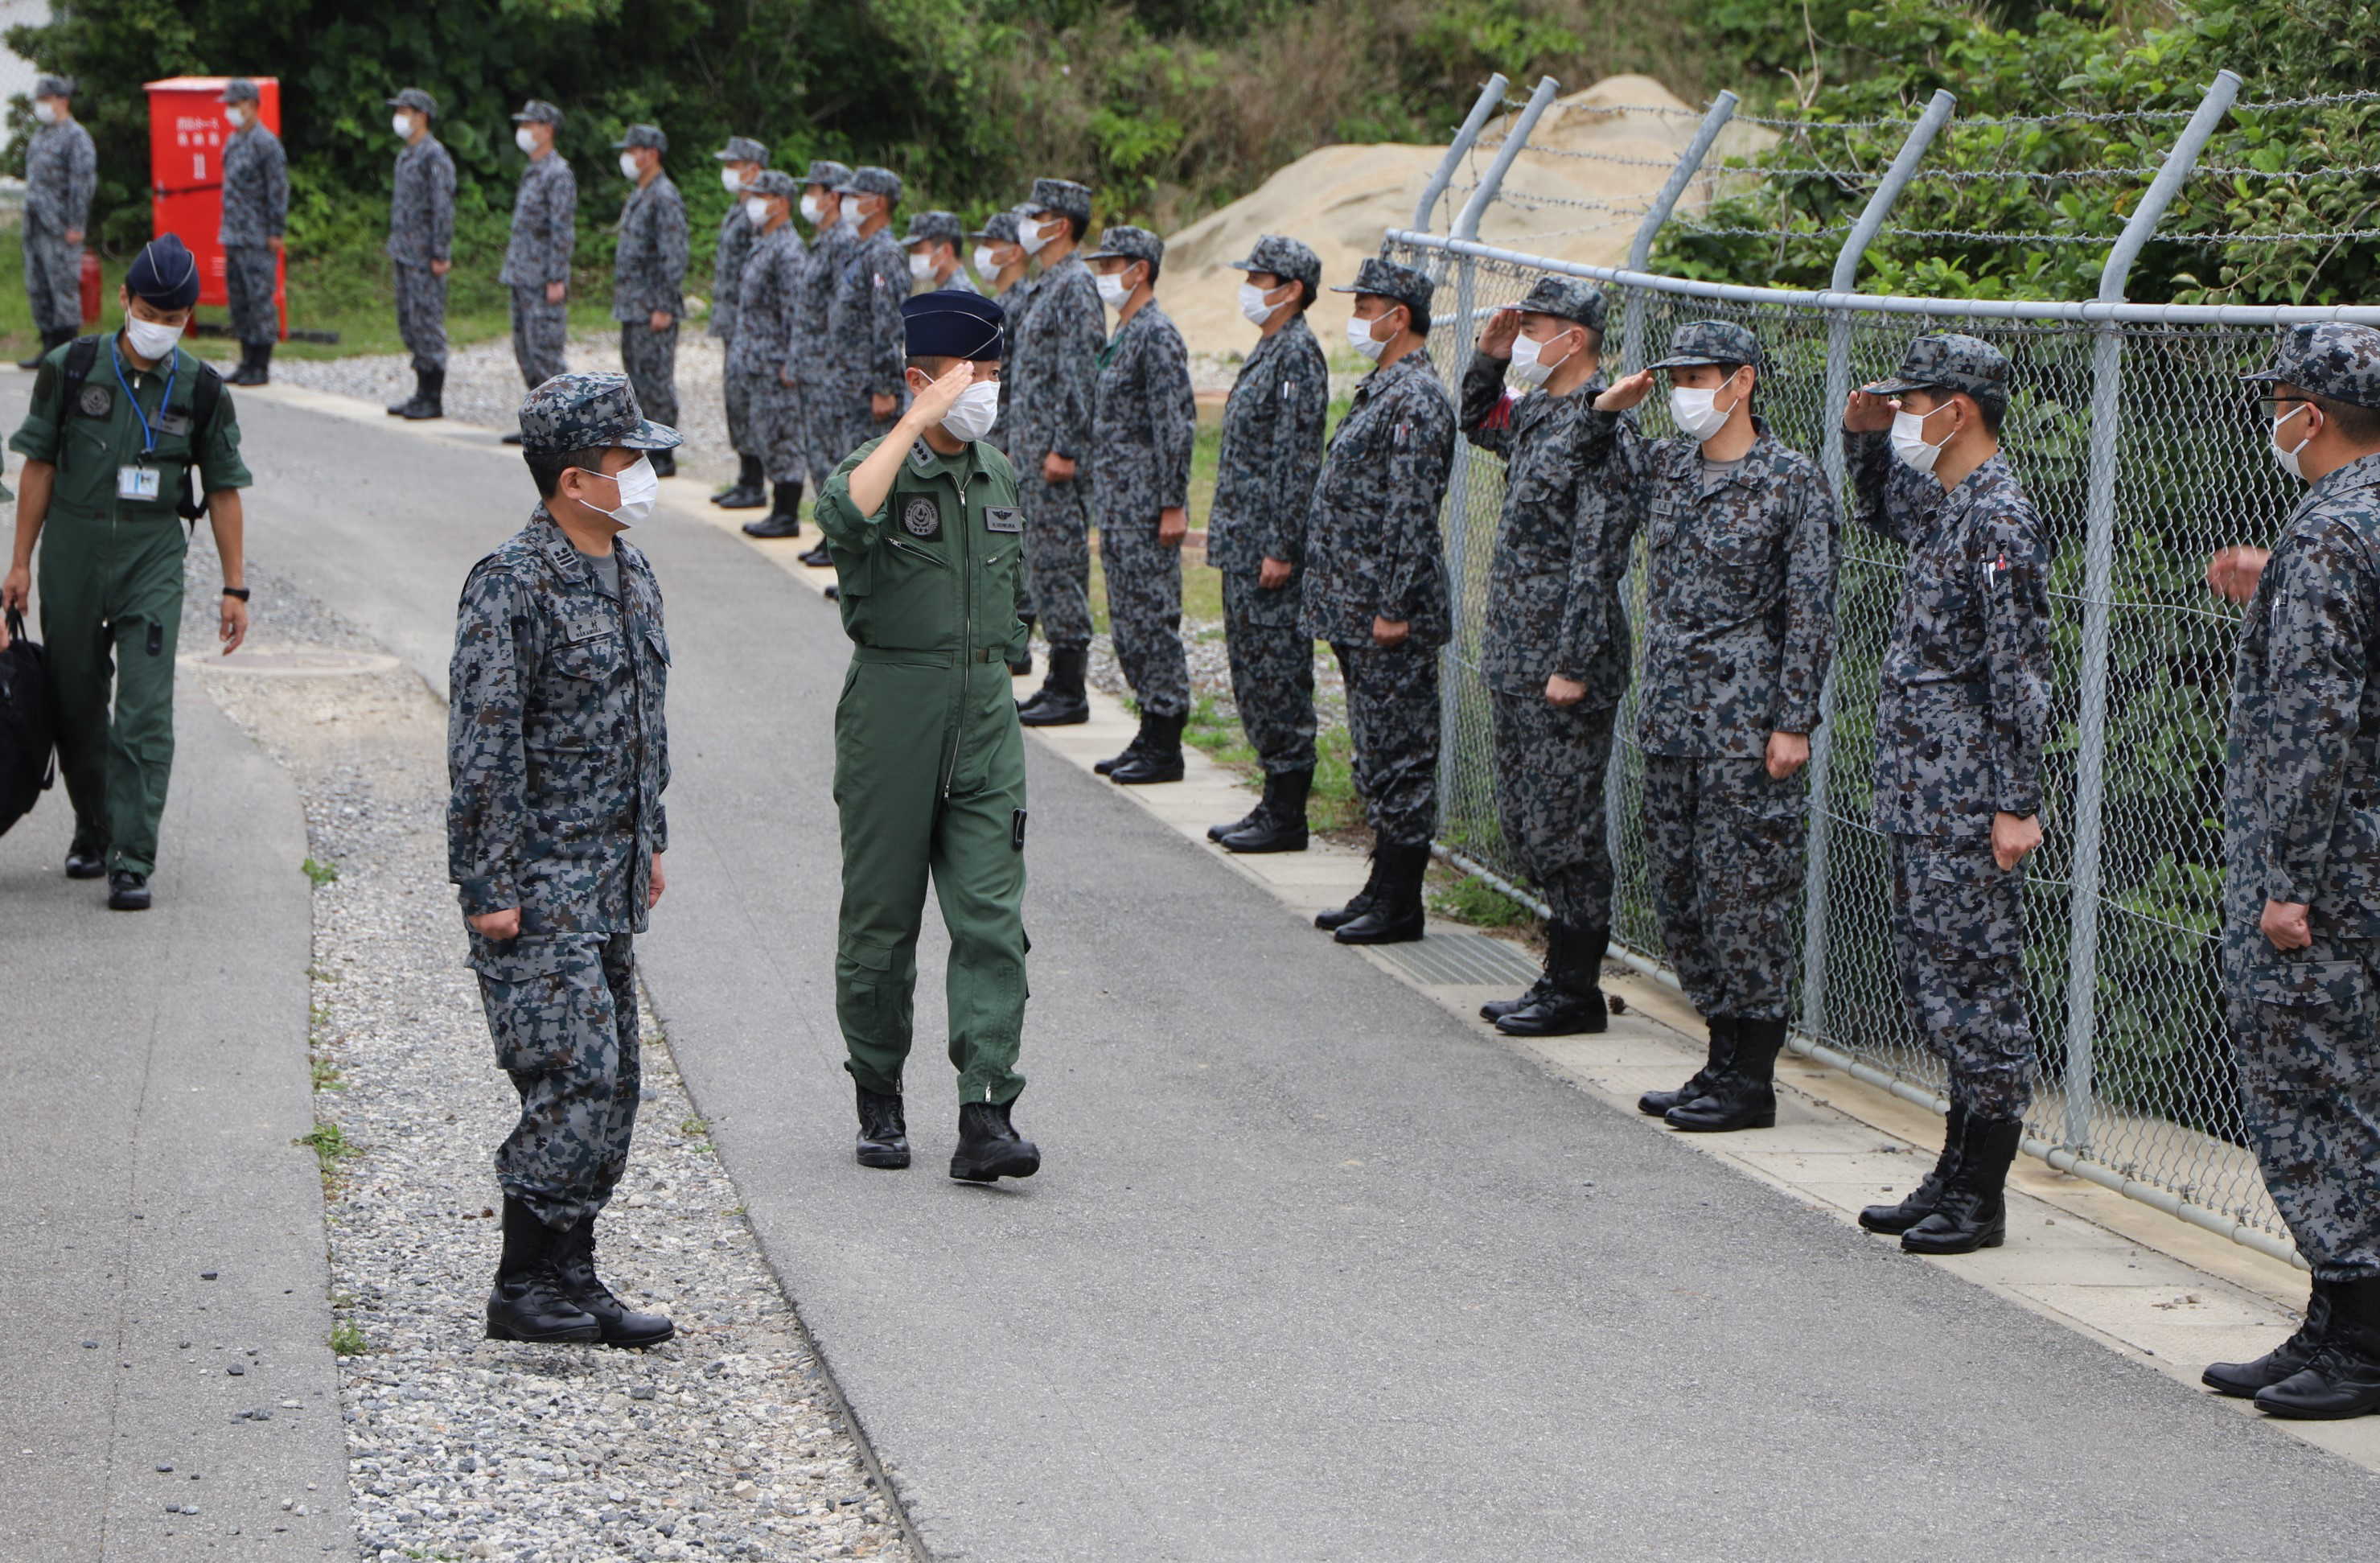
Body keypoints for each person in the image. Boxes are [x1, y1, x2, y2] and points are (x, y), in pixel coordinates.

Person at [448, 371, 679, 1350]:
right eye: (630, 459)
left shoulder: (630, 572)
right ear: (575, 479)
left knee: (616, 1077)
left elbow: (642, 726)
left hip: (609, 875)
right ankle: (519, 1281)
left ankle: (571, 1268)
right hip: (537, 881)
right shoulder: (512, 583)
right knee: (574, 1070)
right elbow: (483, 745)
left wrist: (651, 836)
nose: (646, 473)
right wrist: (489, 885)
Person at [1583, 320, 1838, 1117]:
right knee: (1683, 897)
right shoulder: (1664, 465)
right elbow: (1575, 472)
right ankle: (1718, 1058)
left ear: (1742, 381)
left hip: (1744, 729)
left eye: (1700, 376)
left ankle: (1750, 1078)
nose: (1686, 391)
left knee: (1746, 900)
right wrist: (1603, 411)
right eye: (1678, 377)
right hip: (1671, 719)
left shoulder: (1791, 479)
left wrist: (1792, 719)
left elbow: (1811, 609)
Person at [814, 290, 1041, 1184]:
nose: (988, 389)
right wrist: (914, 422)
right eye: (972, 374)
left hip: (984, 712)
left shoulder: (1000, 475)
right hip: (893, 711)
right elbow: (841, 518)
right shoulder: (877, 467)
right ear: (923, 377)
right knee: (881, 921)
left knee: (991, 917)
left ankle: (987, 1111)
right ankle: (878, 1094)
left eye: (993, 373)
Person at [2200, 323, 2380, 1419]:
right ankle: (2332, 1317)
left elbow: (2311, 723)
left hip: (2321, 870)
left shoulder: (2328, 533)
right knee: (2346, 1086)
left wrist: (2282, 883)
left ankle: (2357, 1338)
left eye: (2277, 398)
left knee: (2315, 1094)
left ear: (2306, 413)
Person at [1841, 331, 2049, 1254]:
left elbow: (2019, 669)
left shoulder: (1998, 514)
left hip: (1967, 797)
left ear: (1957, 409)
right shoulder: (1948, 500)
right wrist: (1861, 435)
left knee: (1978, 990)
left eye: (1913, 403)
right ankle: (1956, 1166)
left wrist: (2016, 800)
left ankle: (1982, 1192)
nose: (1904, 418)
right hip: (1922, 789)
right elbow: (1885, 507)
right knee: (1937, 984)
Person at [0, 237, 251, 911]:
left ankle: (132, 858)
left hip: (151, 558)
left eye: (174, 318)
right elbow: (39, 468)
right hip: (74, 553)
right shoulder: (70, 367)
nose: (160, 327)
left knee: (143, 711)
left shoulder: (201, 388)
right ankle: (93, 826)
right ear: (123, 301)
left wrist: (235, 586)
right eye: (149, 311)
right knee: (77, 705)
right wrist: (20, 561)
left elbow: (224, 489)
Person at [1461, 277, 1637, 1036]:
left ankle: (1575, 989)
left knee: (1565, 826)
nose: (1527, 335)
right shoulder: (1537, 412)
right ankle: (1555, 974)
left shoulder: (1606, 428)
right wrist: (1488, 359)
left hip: (1567, 663)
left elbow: (1596, 558)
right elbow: (1476, 421)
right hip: (1516, 652)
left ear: (1576, 337)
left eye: (1537, 327)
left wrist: (1570, 663)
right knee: (1531, 820)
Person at [1301, 257, 1456, 945]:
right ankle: (1380, 885)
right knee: (1375, 751)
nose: (1357, 318)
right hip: (1359, 607)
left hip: (1390, 614)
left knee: (1401, 756)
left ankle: (1400, 902)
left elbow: (1410, 512)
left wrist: (1394, 604)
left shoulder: (1416, 398)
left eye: (1366, 307)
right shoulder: (1385, 388)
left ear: (1399, 317)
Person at [1205, 233, 1327, 850]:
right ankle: (1270, 802)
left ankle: (1287, 813)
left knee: (1277, 674)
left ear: (1291, 289)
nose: (1249, 289)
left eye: (1260, 279)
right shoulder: (1270, 348)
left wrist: (1282, 545)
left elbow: (1296, 460)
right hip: (1242, 543)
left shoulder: (1298, 355)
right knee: (1251, 673)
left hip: (1266, 552)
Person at [1083, 226, 1196, 786]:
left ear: (1140, 270)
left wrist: (1173, 503)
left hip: (1148, 507)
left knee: (1152, 619)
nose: (1104, 274)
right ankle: (1148, 728)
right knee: (1128, 620)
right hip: (1119, 505)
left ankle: (1166, 737)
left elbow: (1174, 424)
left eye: (1114, 264)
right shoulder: (1124, 332)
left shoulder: (1156, 334)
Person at [1007, 178, 1104, 727]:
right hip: (1033, 453)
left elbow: (1080, 374)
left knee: (1060, 565)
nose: (1028, 223)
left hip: (1053, 460)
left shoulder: (1075, 286)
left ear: (1060, 224)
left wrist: (1065, 447)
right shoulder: (1052, 282)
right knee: (1041, 564)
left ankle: (1069, 687)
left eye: (1037, 214)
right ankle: (1056, 681)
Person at [728, 171, 812, 541]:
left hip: (776, 362)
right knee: (765, 432)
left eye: (762, 195)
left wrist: (792, 362)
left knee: (783, 436)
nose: (753, 200)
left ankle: (787, 512)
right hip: (756, 359)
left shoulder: (789, 249)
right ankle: (776, 507)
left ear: (781, 201)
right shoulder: (764, 242)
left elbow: (796, 312)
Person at [610, 125, 688, 479]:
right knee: (638, 378)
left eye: (634, 149)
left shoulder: (664, 196)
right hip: (634, 305)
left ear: (652, 153)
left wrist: (665, 306)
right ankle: (644, 447)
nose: (628, 156)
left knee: (657, 381)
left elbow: (674, 256)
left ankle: (665, 453)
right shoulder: (641, 193)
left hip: (653, 308)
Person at [499, 100, 578, 438]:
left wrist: (557, 277)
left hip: (543, 278)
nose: (524, 132)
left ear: (547, 131)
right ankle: (539, 424)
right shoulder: (533, 170)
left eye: (530, 125)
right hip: (522, 274)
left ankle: (566, 427)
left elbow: (562, 229)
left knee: (546, 354)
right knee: (525, 351)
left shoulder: (558, 173)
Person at [828, 167, 909, 467]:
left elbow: (889, 325)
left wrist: (885, 388)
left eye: (854, 196)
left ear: (877, 203)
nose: (845, 202)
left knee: (868, 471)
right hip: (850, 384)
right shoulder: (859, 250)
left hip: (869, 390)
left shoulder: (885, 255)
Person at [384, 88, 455, 421]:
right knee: (410, 323)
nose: (399, 116)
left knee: (427, 322)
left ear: (422, 116)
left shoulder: (434, 155)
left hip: (426, 255)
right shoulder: (407, 154)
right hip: (405, 252)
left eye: (405, 110)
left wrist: (440, 251)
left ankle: (433, 396)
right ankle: (420, 391)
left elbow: (442, 207)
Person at [706, 134, 769, 508]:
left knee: (749, 398)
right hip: (732, 321)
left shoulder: (757, 216)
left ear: (754, 169)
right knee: (735, 398)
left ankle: (755, 480)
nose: (728, 172)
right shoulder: (739, 210)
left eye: (735, 164)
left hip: (749, 325)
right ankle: (746, 474)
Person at [791, 158, 855, 512]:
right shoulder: (825, 240)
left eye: (812, 191)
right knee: (816, 449)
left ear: (832, 197)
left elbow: (840, 313)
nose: (807, 198)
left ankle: (835, 530)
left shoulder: (843, 243)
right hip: (812, 364)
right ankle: (827, 527)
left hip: (828, 369)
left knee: (831, 452)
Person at [18, 74, 95, 370]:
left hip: (61, 227)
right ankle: (47, 346)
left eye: (45, 100)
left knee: (62, 286)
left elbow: (82, 184)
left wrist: (76, 224)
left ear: (62, 101)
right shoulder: (41, 135)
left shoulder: (76, 137)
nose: (41, 106)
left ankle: (66, 351)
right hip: (36, 224)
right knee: (38, 285)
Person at [216, 79, 286, 387]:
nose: (230, 111)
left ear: (252, 105)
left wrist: (275, 230)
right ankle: (245, 360)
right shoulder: (233, 141)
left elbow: (278, 190)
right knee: (240, 300)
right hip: (233, 233)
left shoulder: (266, 144)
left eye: (235, 105)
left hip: (258, 235)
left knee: (260, 299)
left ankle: (261, 364)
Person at [903, 211, 976, 294]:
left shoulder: (958, 296)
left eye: (918, 250)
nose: (913, 256)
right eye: (910, 251)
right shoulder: (948, 291)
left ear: (946, 251)